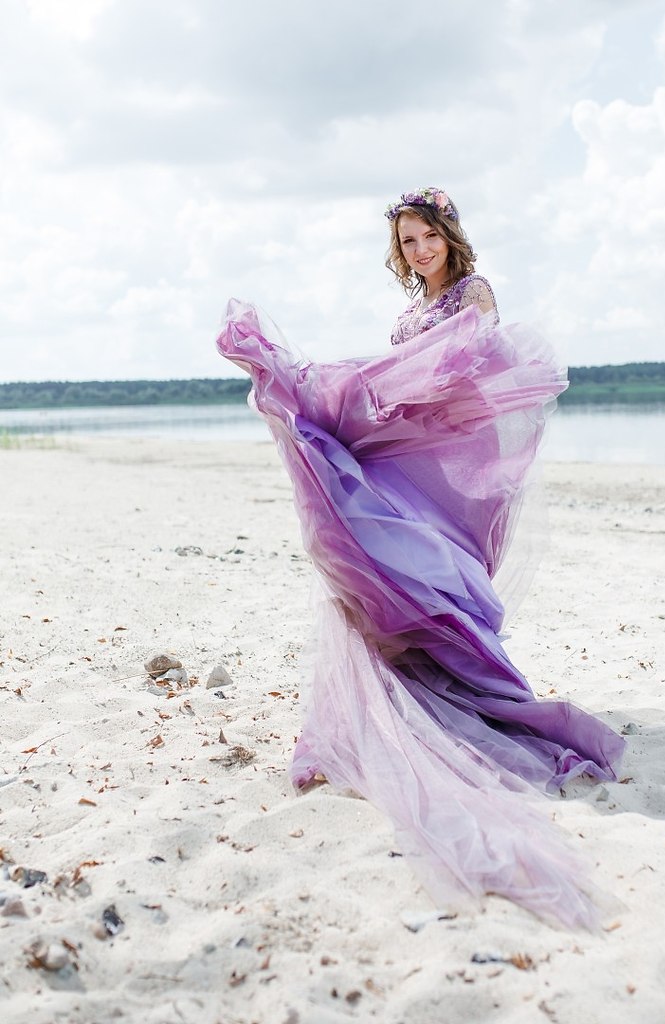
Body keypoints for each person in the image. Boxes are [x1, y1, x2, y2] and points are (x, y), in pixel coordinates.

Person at [215, 187, 625, 929]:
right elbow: (395, 380)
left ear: (448, 237)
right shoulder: (408, 315)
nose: (420, 250)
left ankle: (461, 675)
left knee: (438, 568)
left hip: (452, 460)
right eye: (408, 242)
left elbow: (481, 367)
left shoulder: (474, 293)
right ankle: (415, 675)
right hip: (408, 449)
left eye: (428, 237)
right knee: (366, 542)